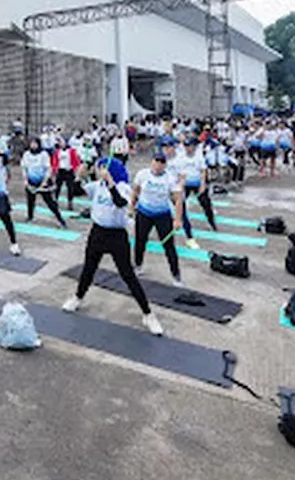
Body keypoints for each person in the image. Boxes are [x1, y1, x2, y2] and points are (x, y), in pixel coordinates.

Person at [63, 159, 164, 335]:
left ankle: (147, 314)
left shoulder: (124, 187)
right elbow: (75, 191)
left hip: (117, 236)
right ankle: (77, 297)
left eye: (104, 169)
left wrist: (110, 182)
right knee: (88, 269)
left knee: (128, 275)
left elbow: (119, 202)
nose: (100, 172)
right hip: (97, 233)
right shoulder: (97, 185)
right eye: (100, 169)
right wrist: (78, 177)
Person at [129, 151, 185, 287]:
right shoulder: (143, 174)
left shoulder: (170, 178)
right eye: (156, 161)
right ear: (151, 161)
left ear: (165, 165)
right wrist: (131, 207)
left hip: (162, 215)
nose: (158, 165)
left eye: (162, 162)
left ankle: (176, 275)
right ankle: (138, 265)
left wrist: (177, 220)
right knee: (140, 241)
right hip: (144, 213)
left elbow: (178, 200)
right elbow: (135, 191)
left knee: (169, 246)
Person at [172, 138, 216, 250]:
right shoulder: (180, 156)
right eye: (186, 146)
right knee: (180, 205)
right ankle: (185, 228)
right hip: (185, 184)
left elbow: (203, 171)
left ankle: (211, 222)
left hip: (197, 183)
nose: (188, 148)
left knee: (206, 204)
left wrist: (202, 184)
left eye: (190, 146)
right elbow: (177, 173)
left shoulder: (198, 156)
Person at [21, 137, 67, 226]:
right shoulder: (26, 154)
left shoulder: (44, 154)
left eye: (35, 143)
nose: (33, 145)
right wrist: (25, 180)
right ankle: (30, 216)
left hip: (43, 181)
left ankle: (60, 219)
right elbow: (24, 168)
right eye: (31, 143)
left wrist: (45, 181)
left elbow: (48, 168)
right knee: (30, 200)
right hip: (31, 181)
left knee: (49, 202)